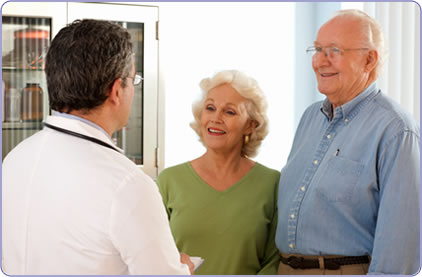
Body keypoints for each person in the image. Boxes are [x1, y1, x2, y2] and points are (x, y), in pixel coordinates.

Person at [2, 19, 193, 275]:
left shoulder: (14, 159)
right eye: (133, 80)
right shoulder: (129, 185)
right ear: (116, 90)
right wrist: (184, 269)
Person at [276, 9, 420, 275]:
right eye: (317, 49)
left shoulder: (396, 130)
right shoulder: (309, 118)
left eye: (334, 51)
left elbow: (399, 256)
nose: (320, 61)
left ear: (368, 60)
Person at [156, 70, 280, 274]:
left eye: (229, 112)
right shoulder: (169, 181)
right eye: (210, 108)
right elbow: (154, 253)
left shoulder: (272, 183)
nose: (216, 118)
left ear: (250, 125)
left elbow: (274, 261)